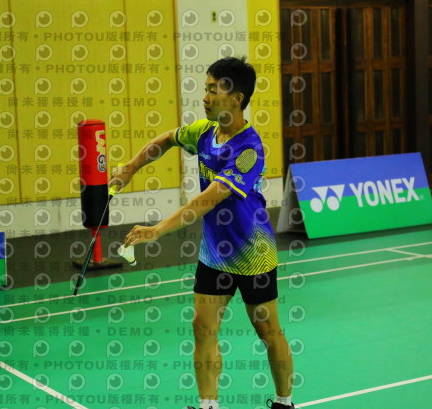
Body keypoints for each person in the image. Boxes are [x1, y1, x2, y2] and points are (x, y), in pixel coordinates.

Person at [108, 56, 294, 409]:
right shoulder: (205, 132)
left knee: (268, 331)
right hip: (214, 252)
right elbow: (167, 139)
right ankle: (209, 406)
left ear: (236, 98)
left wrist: (157, 230)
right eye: (205, 89)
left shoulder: (248, 150)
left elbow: (207, 200)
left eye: (213, 90)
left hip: (253, 253)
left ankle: (284, 403)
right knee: (202, 327)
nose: (205, 97)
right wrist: (130, 167)